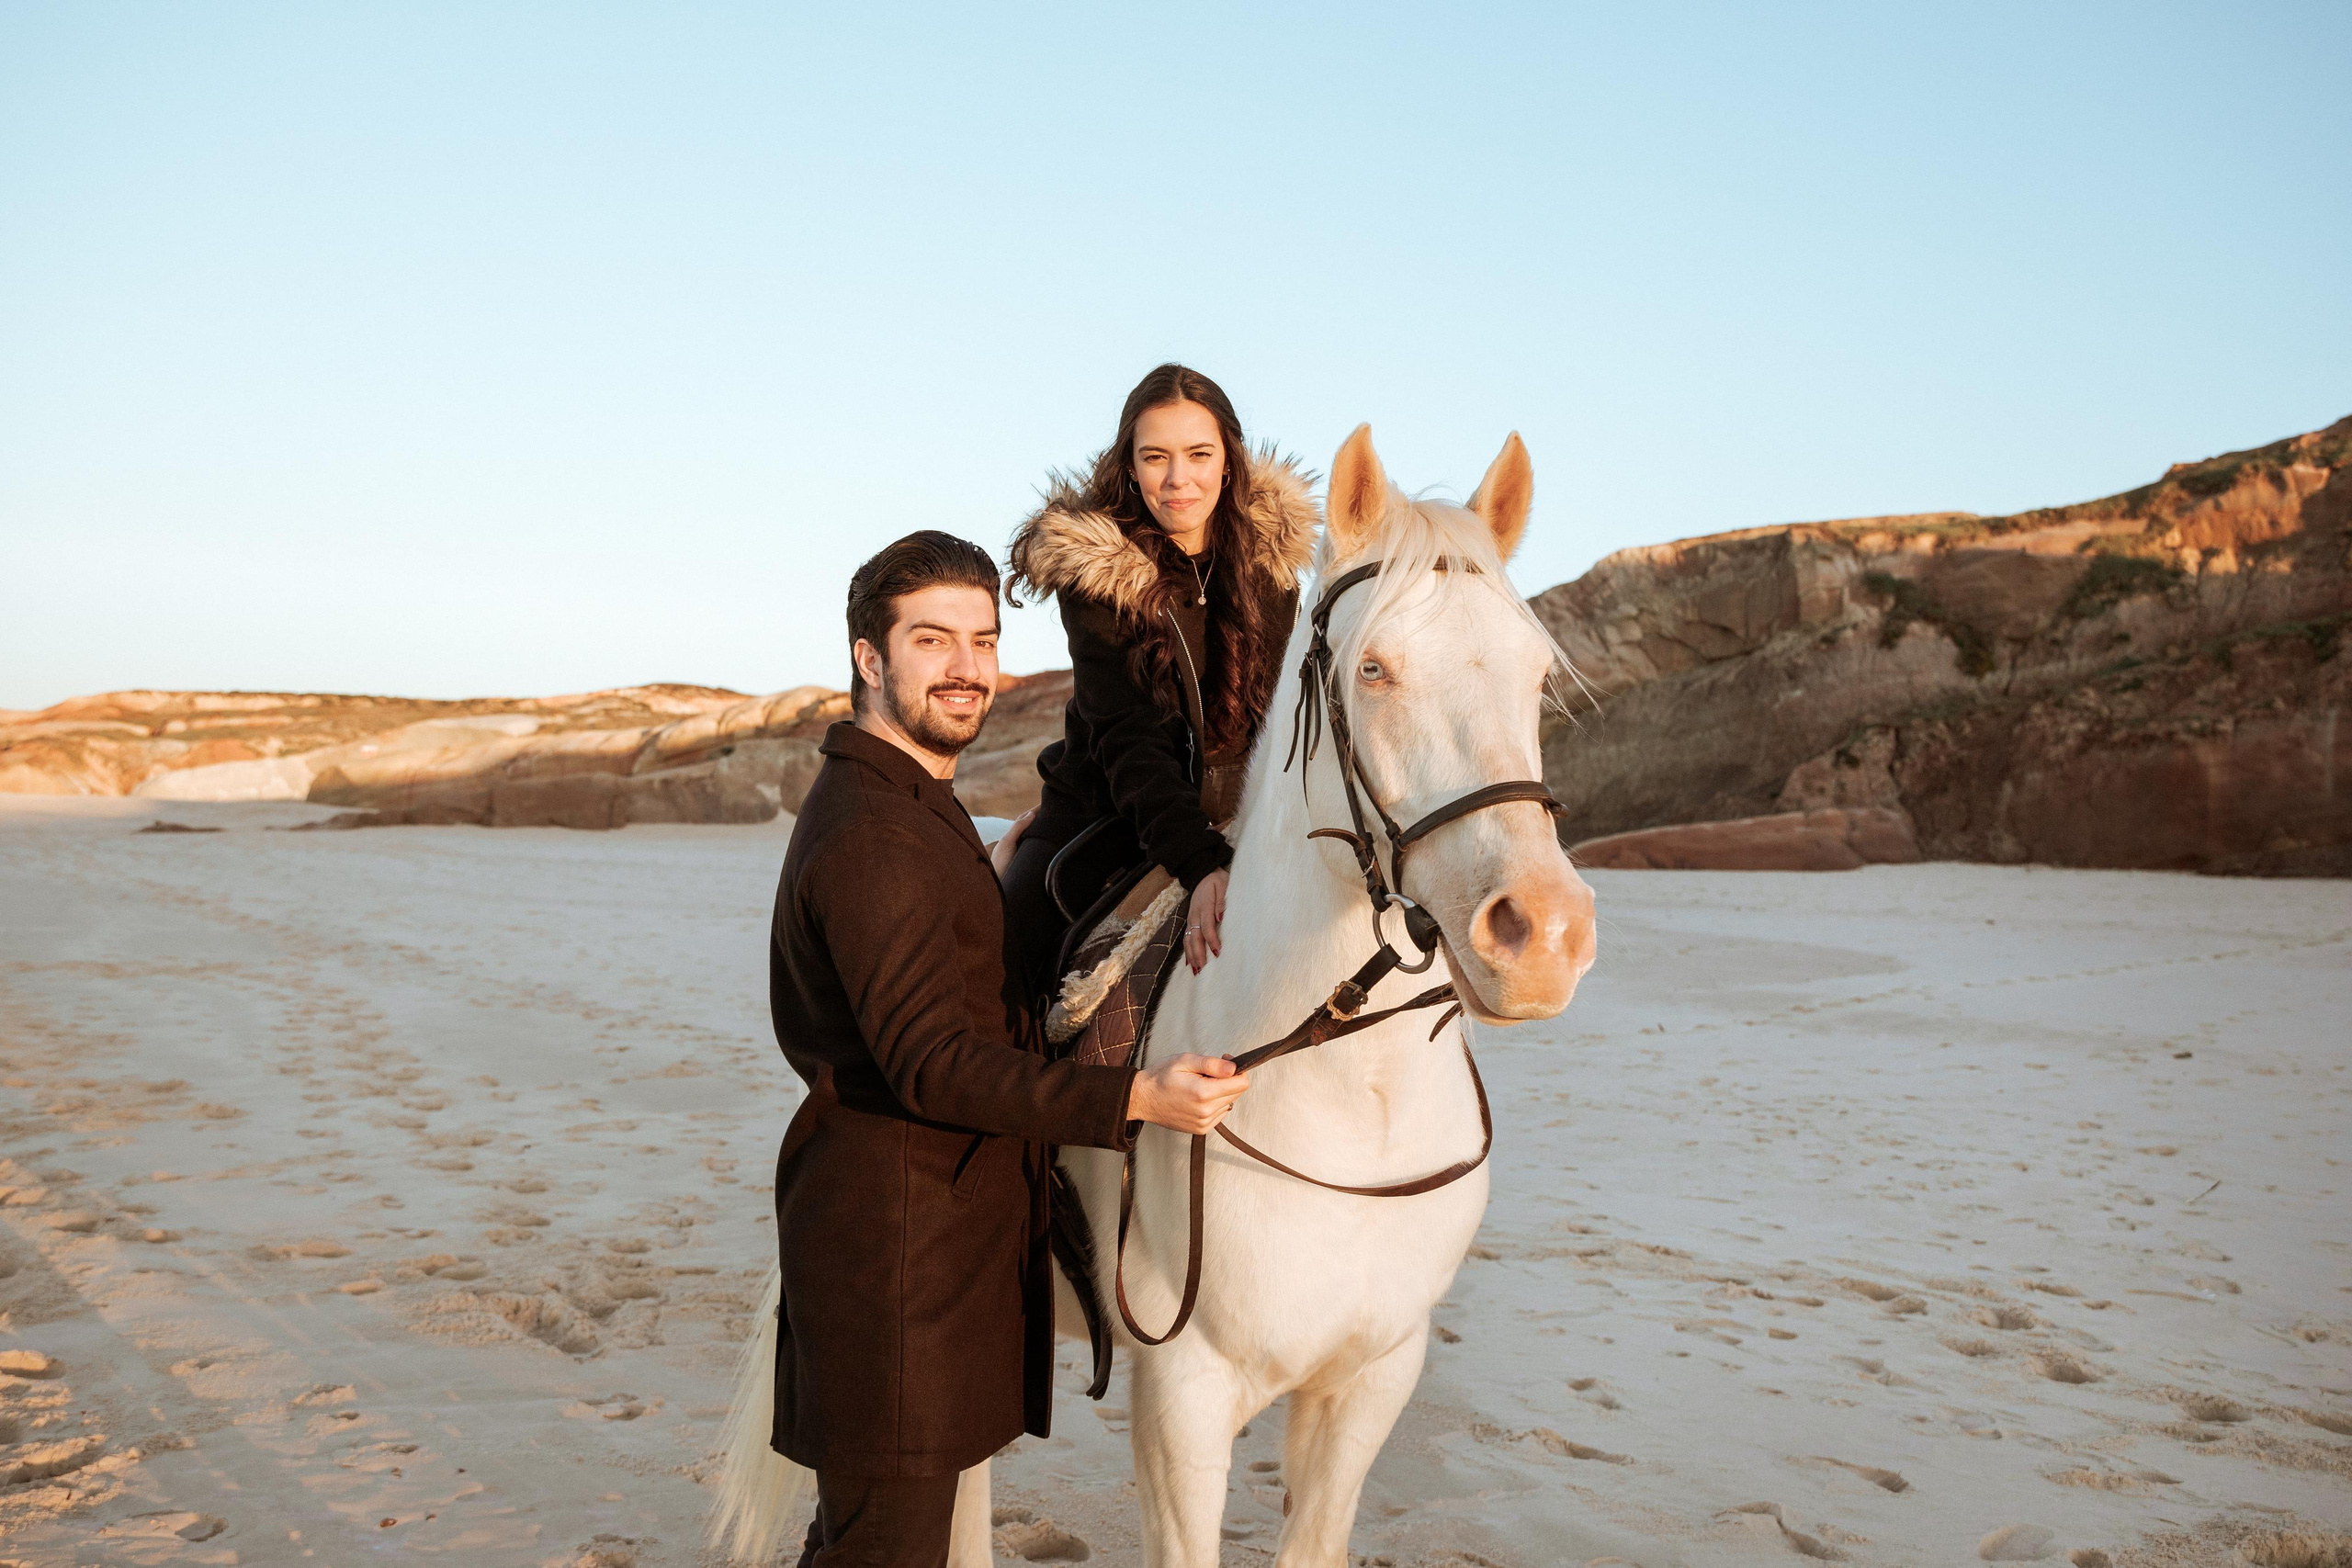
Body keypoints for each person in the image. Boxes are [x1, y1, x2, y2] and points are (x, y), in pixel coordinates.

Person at [766, 531, 1251, 1566]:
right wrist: (1135, 1098)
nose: (966, 667)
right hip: (897, 1265)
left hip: (922, 1250)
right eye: (931, 640)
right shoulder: (873, 832)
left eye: (983, 641)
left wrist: (981, 871)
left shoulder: (906, 803)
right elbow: (933, 1062)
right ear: (868, 656)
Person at [998, 364, 1317, 1000]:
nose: (1178, 479)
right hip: (1109, 811)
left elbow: (1281, 716)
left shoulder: (1271, 565)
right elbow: (1129, 738)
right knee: (1006, 961)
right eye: (1155, 457)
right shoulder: (1100, 574)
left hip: (1244, 812)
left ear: (1228, 463)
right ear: (1130, 467)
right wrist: (1200, 863)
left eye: (1199, 454)